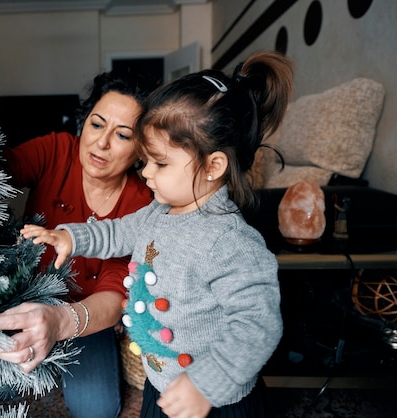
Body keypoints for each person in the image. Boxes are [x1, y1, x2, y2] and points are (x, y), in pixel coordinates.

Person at [19, 50, 294, 418]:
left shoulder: (230, 242)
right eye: (146, 160)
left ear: (213, 166)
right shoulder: (159, 210)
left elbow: (257, 324)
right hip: (162, 382)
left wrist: (206, 384)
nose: (146, 173)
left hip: (212, 399)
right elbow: (119, 231)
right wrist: (74, 237)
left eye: (159, 163)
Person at [0, 70, 159, 417]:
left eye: (123, 135)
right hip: (27, 296)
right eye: (97, 125)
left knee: (98, 410)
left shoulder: (143, 202)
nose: (102, 143)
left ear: (141, 151)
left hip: (85, 316)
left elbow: (115, 293)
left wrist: (61, 322)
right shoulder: (56, 150)